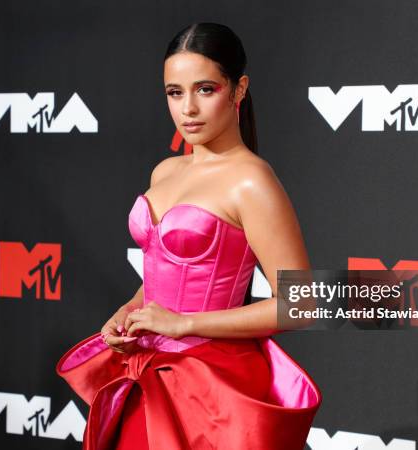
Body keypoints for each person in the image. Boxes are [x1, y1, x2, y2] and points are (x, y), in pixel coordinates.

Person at [56, 22, 322, 450]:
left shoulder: (251, 181)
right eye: (175, 93)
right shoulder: (165, 171)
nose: (188, 110)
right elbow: (165, 273)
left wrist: (184, 324)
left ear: (238, 90)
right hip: (144, 372)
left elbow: (301, 304)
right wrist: (128, 311)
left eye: (205, 89)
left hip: (209, 385)